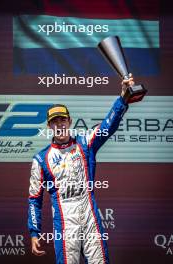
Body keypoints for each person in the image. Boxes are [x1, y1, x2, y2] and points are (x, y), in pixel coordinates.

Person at [28, 76, 134, 264]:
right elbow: (34, 199)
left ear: (69, 121)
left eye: (62, 119)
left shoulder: (85, 142)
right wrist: (34, 232)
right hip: (65, 224)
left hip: (90, 218)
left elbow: (108, 126)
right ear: (49, 126)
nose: (59, 124)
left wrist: (123, 99)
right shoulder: (40, 159)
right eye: (54, 121)